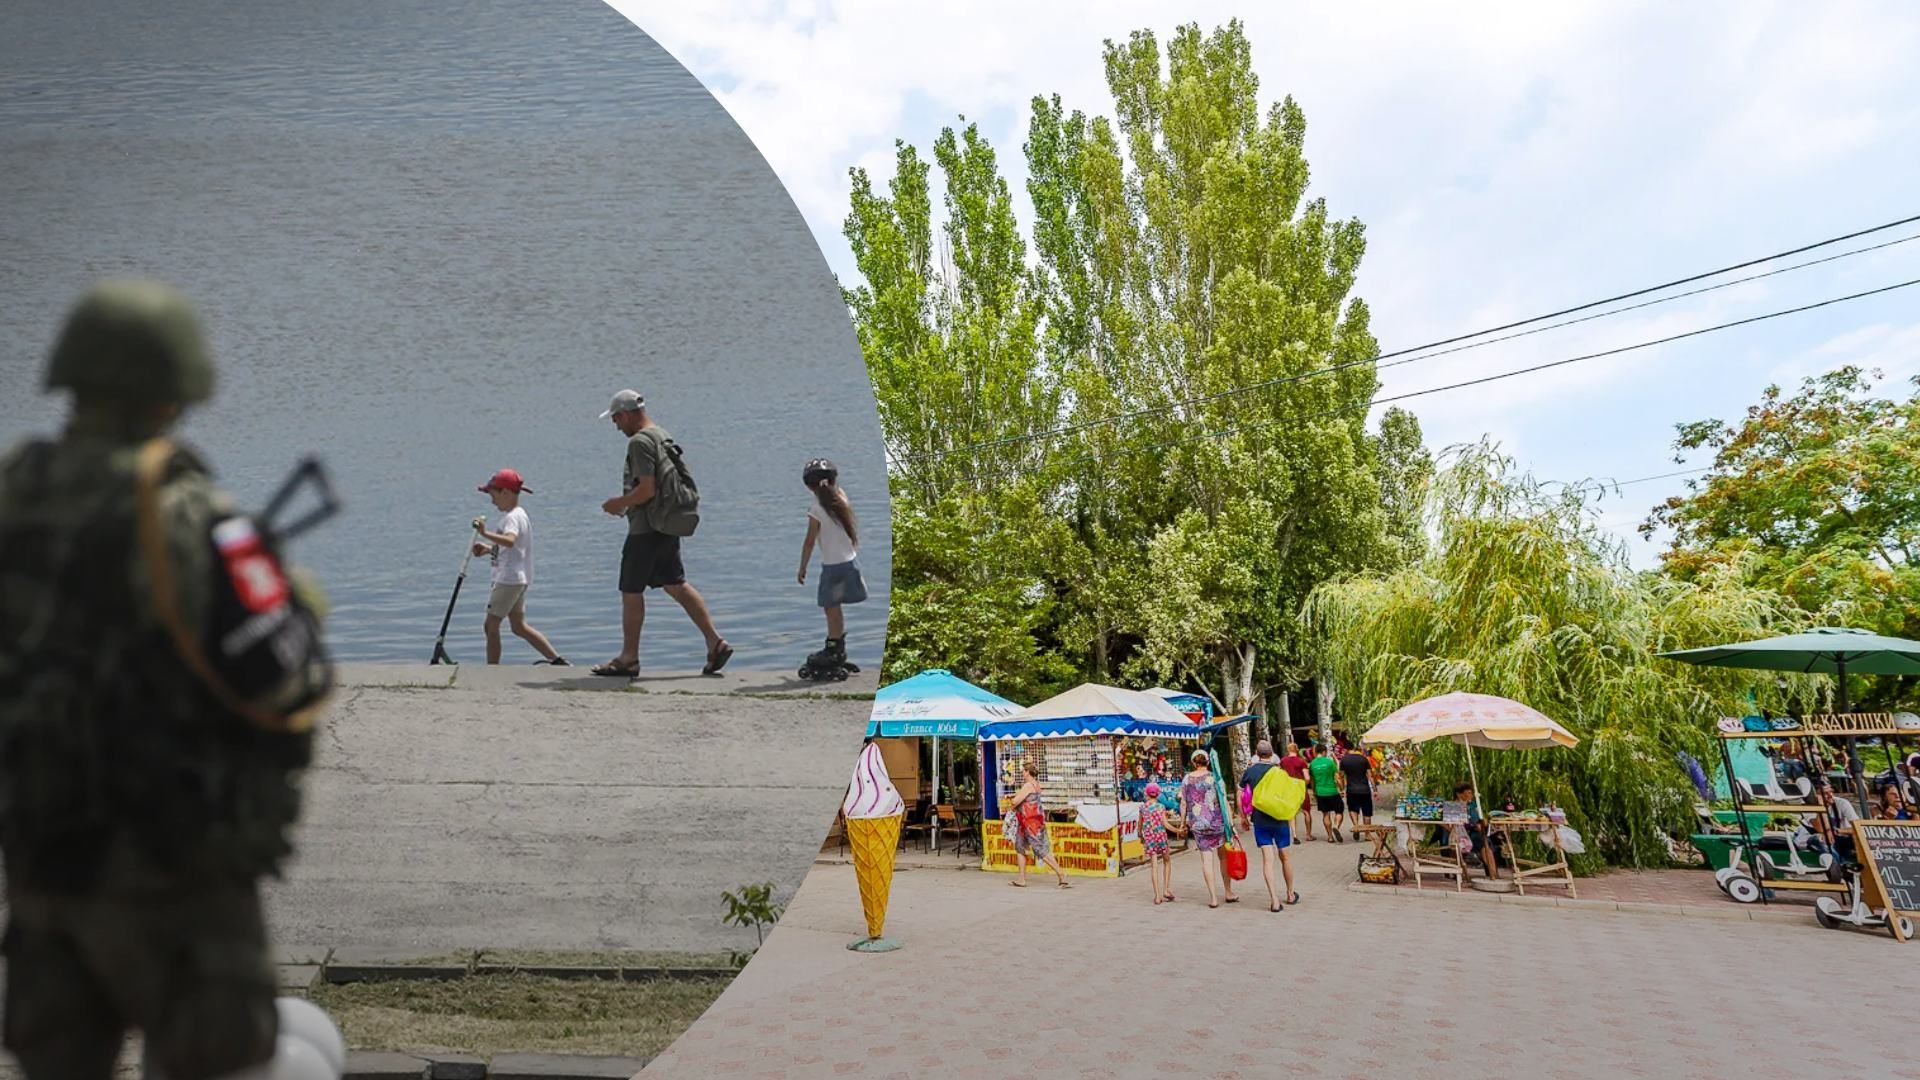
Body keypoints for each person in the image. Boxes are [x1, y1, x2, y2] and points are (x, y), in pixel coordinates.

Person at [0, 279, 335, 1080]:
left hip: (42, 852)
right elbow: (284, 676)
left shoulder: (15, 490)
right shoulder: (187, 512)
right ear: (176, 388)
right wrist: (300, 599)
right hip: (170, 864)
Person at [594, 389, 732, 679]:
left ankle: (629, 658)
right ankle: (714, 641)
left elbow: (647, 489)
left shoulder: (639, 442)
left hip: (646, 528)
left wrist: (618, 504)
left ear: (628, 414)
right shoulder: (661, 434)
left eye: (617, 419)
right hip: (665, 524)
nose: (617, 425)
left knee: (631, 591)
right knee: (675, 583)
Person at [471, 468, 566, 666]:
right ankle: (556, 660)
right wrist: (489, 549)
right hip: (519, 578)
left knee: (491, 625)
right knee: (518, 626)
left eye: (493, 495)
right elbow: (512, 549)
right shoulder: (520, 514)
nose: (492, 501)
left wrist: (485, 533)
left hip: (508, 580)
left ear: (505, 492)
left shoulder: (511, 517)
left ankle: (492, 669)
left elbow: (510, 540)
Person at [796, 458, 867, 678]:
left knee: (830, 608)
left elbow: (809, 542)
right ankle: (838, 647)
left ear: (809, 487)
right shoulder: (842, 499)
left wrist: (802, 568)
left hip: (833, 568)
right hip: (850, 563)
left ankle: (833, 648)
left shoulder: (816, 509)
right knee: (835, 608)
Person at [1239, 741, 1299, 912]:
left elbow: (1240, 795)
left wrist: (1243, 817)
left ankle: (1274, 900)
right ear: (1271, 754)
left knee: (1268, 860)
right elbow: (1287, 795)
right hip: (1279, 819)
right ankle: (1289, 894)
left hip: (1260, 820)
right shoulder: (1279, 772)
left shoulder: (1249, 772)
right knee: (1285, 857)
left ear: (1257, 754)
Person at [1179, 751, 1235, 908]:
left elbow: (1183, 803)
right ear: (1208, 762)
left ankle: (1213, 898)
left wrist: (1183, 823)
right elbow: (1223, 800)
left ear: (1193, 762)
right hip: (1217, 822)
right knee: (1223, 857)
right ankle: (1228, 892)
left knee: (1206, 860)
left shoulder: (1187, 779)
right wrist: (1231, 823)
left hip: (1198, 823)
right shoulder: (1214, 777)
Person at [1005, 761, 1070, 888]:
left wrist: (1012, 799)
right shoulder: (1035, 784)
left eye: (1023, 771)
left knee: (1040, 849)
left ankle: (1062, 875)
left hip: (1030, 823)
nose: (1022, 773)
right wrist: (1015, 795)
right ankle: (1021, 879)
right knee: (1020, 847)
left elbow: (1016, 801)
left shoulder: (1028, 785)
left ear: (1028, 772)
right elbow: (1027, 797)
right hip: (1029, 822)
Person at [1456, 782, 1505, 879]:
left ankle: (1493, 872)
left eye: (1471, 793)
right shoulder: (1454, 806)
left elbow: (1479, 819)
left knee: (1488, 842)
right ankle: (1493, 872)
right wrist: (1473, 824)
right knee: (1483, 842)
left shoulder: (1473, 805)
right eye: (1468, 793)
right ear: (1459, 794)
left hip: (1475, 834)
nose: (1471, 795)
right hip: (1462, 834)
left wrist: (1483, 821)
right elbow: (1457, 823)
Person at [1808, 778, 1861, 862]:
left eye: (1831, 791)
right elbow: (1821, 829)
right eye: (1825, 793)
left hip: (1844, 835)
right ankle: (1839, 866)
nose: (1830, 795)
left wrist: (1836, 831)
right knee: (1819, 838)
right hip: (1825, 838)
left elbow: (1858, 827)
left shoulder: (1842, 803)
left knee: (1859, 837)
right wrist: (1821, 807)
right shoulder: (1810, 808)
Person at [1141, 782, 1174, 904]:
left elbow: (1140, 824)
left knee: (1154, 866)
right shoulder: (1161, 807)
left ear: (1147, 793)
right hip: (1161, 837)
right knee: (1167, 861)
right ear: (1158, 794)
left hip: (1150, 838)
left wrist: (1140, 834)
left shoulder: (1143, 807)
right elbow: (1165, 824)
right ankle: (1166, 889)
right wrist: (1178, 830)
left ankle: (1157, 896)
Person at [1307, 744, 1345, 842]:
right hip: (1332, 791)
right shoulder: (1329, 762)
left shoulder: (1312, 764)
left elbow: (1312, 780)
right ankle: (1336, 826)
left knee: (1325, 814)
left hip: (1320, 792)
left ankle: (1330, 837)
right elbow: (1337, 777)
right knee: (1339, 811)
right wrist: (1342, 789)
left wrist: (1314, 792)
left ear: (1316, 752)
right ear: (1324, 752)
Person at [1278, 741, 1314, 841]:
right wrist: (1304, 785)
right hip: (1300, 789)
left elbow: (1280, 775)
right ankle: (1308, 834)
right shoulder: (1301, 761)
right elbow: (1307, 777)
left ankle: (1294, 835)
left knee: (1292, 813)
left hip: (1289, 789)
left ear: (1288, 750)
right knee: (1306, 812)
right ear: (1297, 749)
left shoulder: (1283, 761)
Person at [1340, 742, 1379, 831]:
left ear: (1346, 749)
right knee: (1367, 813)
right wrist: (1375, 790)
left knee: (1353, 809)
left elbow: (1341, 776)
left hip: (1351, 790)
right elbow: (1370, 775)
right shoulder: (1364, 759)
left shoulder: (1344, 760)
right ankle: (1367, 834)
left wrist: (1342, 789)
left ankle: (1356, 826)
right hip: (1365, 790)